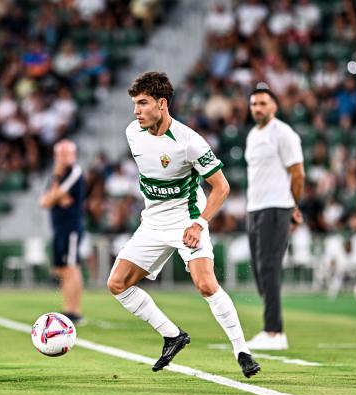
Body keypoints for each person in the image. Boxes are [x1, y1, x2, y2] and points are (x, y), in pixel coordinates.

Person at [107, 71, 260, 378]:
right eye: (135, 104)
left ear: (162, 104)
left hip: (187, 220)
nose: (136, 111)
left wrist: (199, 225)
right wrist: (149, 207)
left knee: (205, 284)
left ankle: (242, 350)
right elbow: (150, 176)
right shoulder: (132, 133)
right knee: (117, 283)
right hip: (153, 222)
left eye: (143, 103)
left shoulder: (190, 142)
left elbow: (222, 187)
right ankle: (172, 335)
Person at [245, 88, 305, 350]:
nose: (257, 107)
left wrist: (293, 206)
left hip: (276, 207)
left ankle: (274, 332)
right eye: (254, 103)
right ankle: (272, 327)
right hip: (255, 208)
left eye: (262, 103)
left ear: (274, 107)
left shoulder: (283, 134)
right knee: (260, 270)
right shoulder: (251, 135)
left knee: (269, 267)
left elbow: (298, 173)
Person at [40, 139, 86, 324]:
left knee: (71, 268)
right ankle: (69, 308)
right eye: (59, 154)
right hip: (59, 228)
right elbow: (44, 201)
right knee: (63, 269)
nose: (62, 157)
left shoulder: (74, 172)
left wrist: (55, 196)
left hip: (71, 228)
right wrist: (56, 196)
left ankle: (74, 310)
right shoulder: (56, 175)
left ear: (73, 155)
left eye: (66, 153)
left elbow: (50, 199)